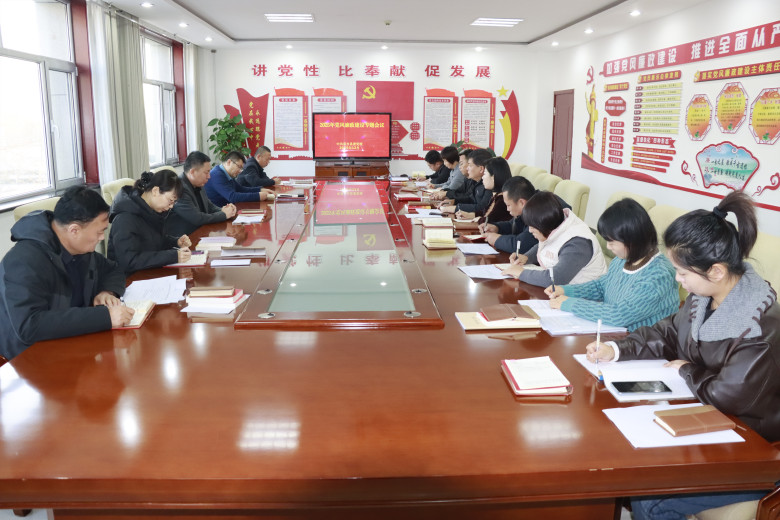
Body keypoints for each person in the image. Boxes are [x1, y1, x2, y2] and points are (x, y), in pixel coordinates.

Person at [586, 191, 778, 519]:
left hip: (754, 448)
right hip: (708, 424)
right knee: (630, 462)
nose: (678, 280)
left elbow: (729, 396)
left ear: (716, 271)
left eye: (683, 273)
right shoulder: (703, 296)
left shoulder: (760, 328)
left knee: (652, 499)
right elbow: (668, 332)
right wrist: (617, 349)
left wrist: (686, 369)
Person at [0, 186, 134, 360]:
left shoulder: (80, 249)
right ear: (74, 230)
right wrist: (105, 317)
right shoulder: (24, 261)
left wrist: (106, 291)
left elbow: (112, 269)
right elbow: (29, 325)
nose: (102, 237)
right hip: (31, 358)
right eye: (100, 231)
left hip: (74, 342)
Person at [545, 198, 679, 331]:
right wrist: (566, 290)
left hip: (640, 341)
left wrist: (570, 304)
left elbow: (619, 315)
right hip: (614, 333)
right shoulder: (622, 259)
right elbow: (601, 287)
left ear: (632, 239)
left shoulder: (659, 276)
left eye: (612, 242)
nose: (608, 247)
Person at [502, 191, 606, 287]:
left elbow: (553, 279)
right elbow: (549, 243)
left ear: (544, 225)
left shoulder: (578, 243)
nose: (530, 230)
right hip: (563, 292)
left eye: (533, 227)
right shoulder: (556, 225)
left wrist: (521, 273)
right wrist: (526, 257)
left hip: (583, 297)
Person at [108, 169, 192, 274]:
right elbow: (129, 260)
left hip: (147, 272)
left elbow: (153, 240)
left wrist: (176, 242)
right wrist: (173, 256)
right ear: (155, 191)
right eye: (170, 200)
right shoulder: (124, 218)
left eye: (174, 202)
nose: (171, 206)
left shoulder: (149, 210)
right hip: (129, 279)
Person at [481, 176, 571, 254]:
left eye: (508, 205)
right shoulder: (532, 200)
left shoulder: (541, 209)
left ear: (521, 202)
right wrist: (497, 227)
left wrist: (496, 239)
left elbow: (521, 245)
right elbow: (514, 225)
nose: (507, 209)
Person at [166, 151, 238, 236]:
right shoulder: (179, 188)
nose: (209, 176)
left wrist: (226, 210)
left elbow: (209, 206)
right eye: (206, 172)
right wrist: (224, 214)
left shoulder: (198, 183)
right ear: (192, 172)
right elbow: (197, 218)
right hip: (184, 238)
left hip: (200, 232)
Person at [205, 150, 273, 206]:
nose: (240, 171)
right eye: (239, 167)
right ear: (229, 162)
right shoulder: (217, 174)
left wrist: (260, 189)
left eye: (241, 168)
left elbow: (240, 189)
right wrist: (258, 196)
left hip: (229, 209)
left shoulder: (227, 174)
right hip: (219, 213)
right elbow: (232, 197)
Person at [440, 148, 493, 216]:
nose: (467, 168)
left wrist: (456, 208)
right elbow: (470, 199)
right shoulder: (475, 181)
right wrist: (454, 201)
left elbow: (482, 208)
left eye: (470, 165)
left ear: (481, 169)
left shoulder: (489, 185)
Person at [462, 156, 512, 224]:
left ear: (493, 177)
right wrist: (468, 215)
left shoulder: (502, 200)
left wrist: (480, 219)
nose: (482, 177)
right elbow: (484, 212)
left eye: (485, 174)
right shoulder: (496, 196)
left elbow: (489, 220)